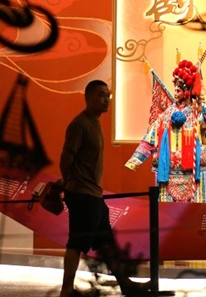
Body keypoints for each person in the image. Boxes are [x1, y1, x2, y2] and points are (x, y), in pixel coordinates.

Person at [59, 79, 151, 297]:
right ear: (88, 97)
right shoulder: (80, 124)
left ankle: (125, 284)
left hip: (93, 195)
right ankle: (66, 290)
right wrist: (69, 183)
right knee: (76, 242)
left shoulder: (95, 123)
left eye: (107, 95)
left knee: (107, 243)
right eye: (100, 95)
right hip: (83, 194)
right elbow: (66, 157)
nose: (105, 99)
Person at [125, 58, 206, 202]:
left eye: (178, 90)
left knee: (195, 215)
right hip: (168, 172)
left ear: (186, 92)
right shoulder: (166, 115)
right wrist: (136, 160)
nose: (175, 93)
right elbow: (150, 137)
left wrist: (202, 97)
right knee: (167, 214)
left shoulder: (197, 113)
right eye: (175, 90)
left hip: (194, 172)